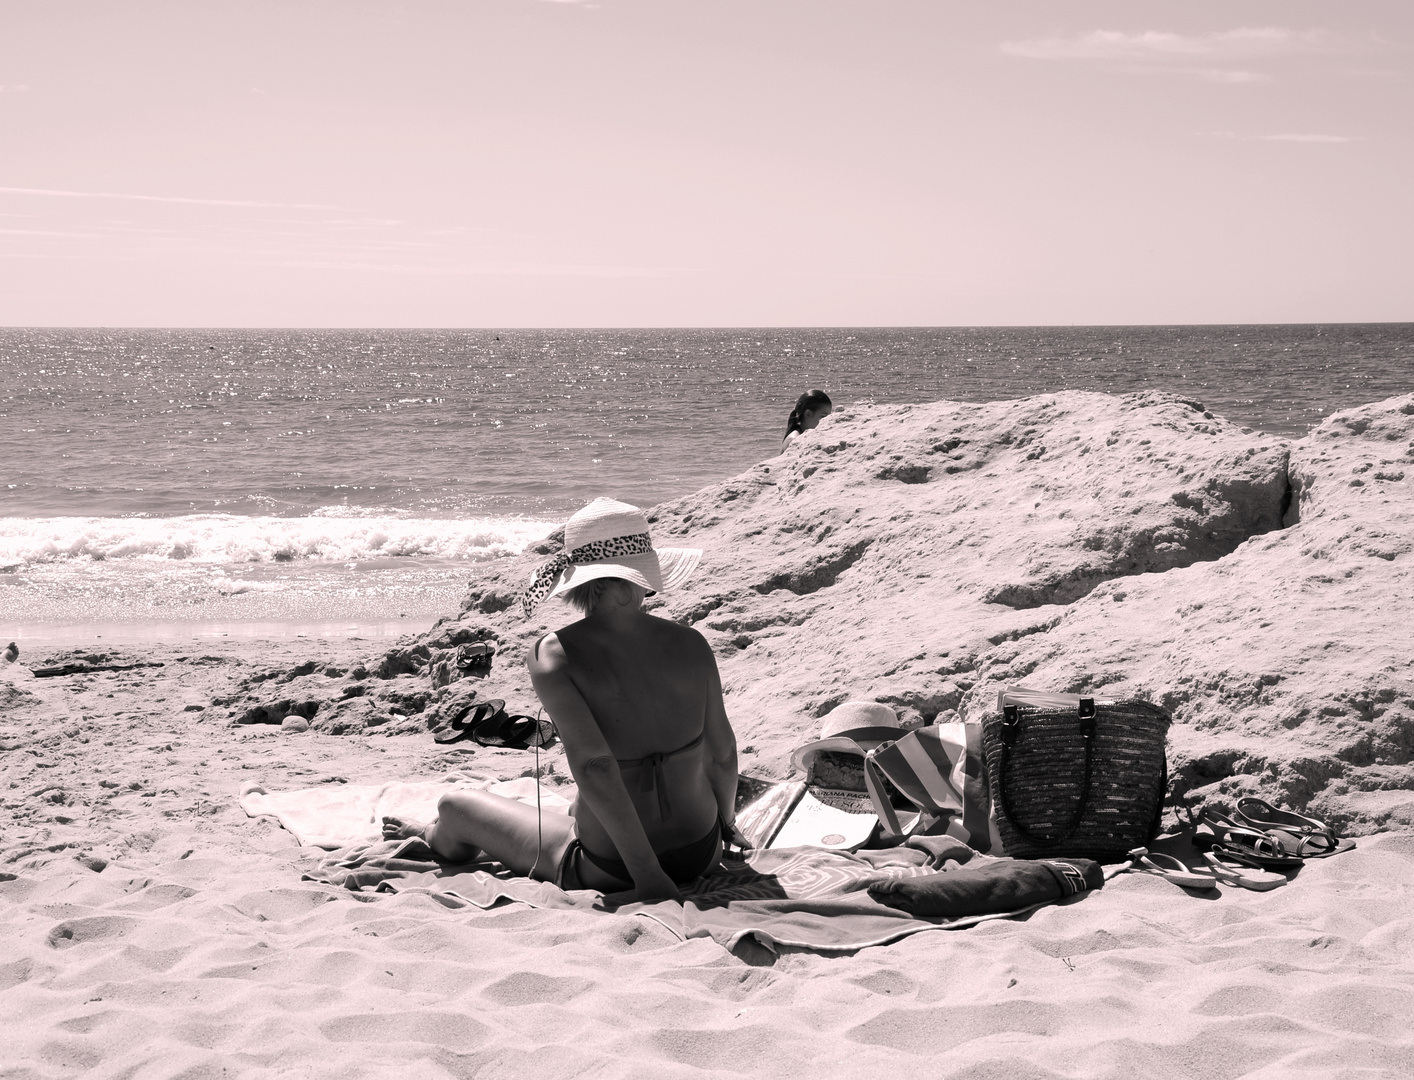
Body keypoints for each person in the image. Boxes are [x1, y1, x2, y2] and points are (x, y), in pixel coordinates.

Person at [382, 497, 744, 902]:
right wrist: (726, 827)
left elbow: (596, 766)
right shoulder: (691, 643)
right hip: (703, 852)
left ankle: (433, 836)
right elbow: (723, 753)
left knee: (454, 804)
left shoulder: (553, 655)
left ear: (585, 582)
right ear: (632, 580)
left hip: (615, 867)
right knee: (577, 805)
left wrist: (649, 876)